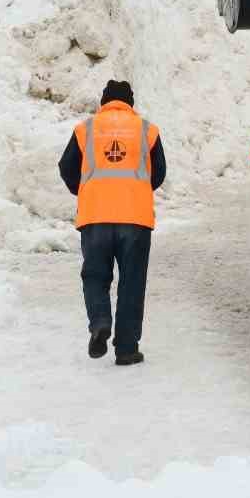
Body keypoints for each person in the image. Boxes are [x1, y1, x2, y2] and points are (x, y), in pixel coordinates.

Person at [59, 80, 166, 365]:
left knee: (95, 276)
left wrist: (87, 190)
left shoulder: (86, 129)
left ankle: (100, 322)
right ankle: (127, 348)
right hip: (136, 219)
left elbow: (66, 167)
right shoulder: (147, 130)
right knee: (132, 283)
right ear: (130, 103)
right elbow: (159, 173)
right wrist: (137, 190)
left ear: (104, 101)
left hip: (95, 217)